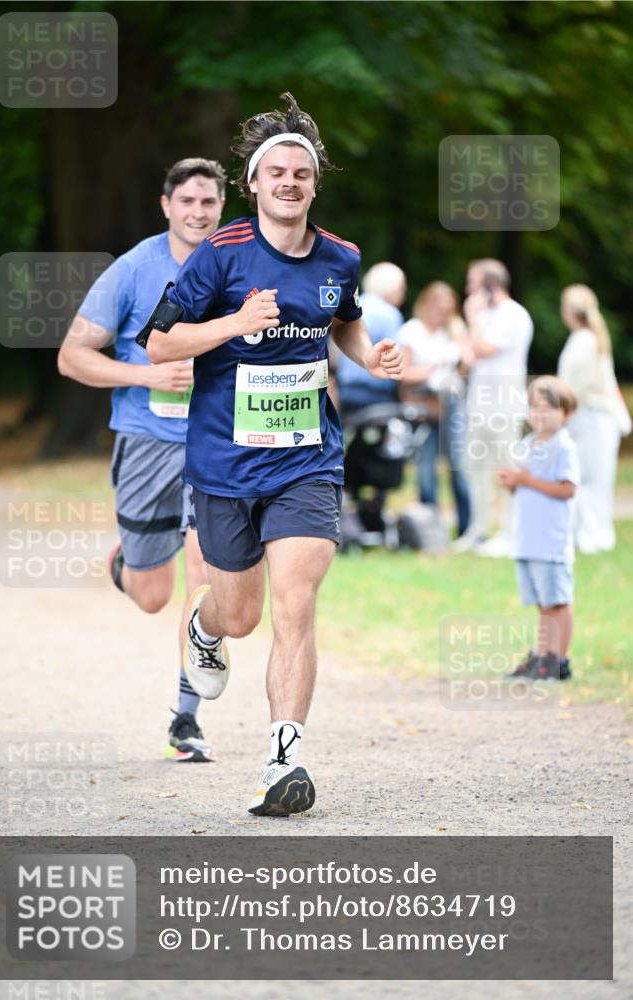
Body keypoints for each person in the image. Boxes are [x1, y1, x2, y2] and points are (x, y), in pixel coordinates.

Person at [142, 92, 403, 816]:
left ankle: (283, 761)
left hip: (306, 458)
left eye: (302, 174)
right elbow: (159, 343)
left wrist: (368, 356)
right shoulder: (219, 255)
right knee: (241, 616)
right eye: (276, 172)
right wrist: (232, 323)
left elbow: (342, 325)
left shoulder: (341, 258)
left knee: (296, 604)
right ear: (254, 183)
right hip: (224, 464)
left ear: (314, 185)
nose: (290, 183)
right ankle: (204, 626)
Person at [57, 158, 226, 763]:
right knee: (153, 594)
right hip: (146, 440)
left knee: (207, 579)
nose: (198, 213)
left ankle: (186, 717)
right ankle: (125, 563)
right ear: (166, 206)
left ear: (221, 206)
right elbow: (72, 357)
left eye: (209, 202)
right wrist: (144, 372)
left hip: (215, 443)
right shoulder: (133, 269)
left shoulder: (236, 261)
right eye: (187, 202)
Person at [498, 377, 579, 681]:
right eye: (535, 407)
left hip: (552, 540)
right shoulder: (526, 445)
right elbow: (521, 488)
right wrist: (510, 482)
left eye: (548, 408)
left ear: (566, 413)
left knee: (558, 601)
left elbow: (568, 489)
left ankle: (561, 659)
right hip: (527, 539)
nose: (539, 414)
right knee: (543, 604)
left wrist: (525, 480)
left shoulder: (564, 447)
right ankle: (541, 656)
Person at [457, 259, 533, 556]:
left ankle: (510, 532)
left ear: (489, 286)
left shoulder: (514, 315)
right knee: (475, 469)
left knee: (506, 469)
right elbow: (468, 357)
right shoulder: (485, 316)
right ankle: (478, 530)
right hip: (478, 403)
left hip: (505, 404)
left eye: (473, 283)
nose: (467, 290)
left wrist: (471, 320)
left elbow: (484, 348)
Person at [558, 284, 631, 553]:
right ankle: (590, 534)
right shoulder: (589, 338)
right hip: (593, 418)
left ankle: (592, 536)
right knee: (592, 478)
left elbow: (574, 387)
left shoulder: (584, 341)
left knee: (590, 478)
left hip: (592, 417)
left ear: (568, 310)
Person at [398, 281, 473, 538]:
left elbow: (466, 366)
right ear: (427, 305)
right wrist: (434, 365)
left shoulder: (452, 331)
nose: (444, 315)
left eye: (448, 310)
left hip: (452, 403)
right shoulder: (412, 331)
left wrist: (460, 337)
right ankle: (431, 531)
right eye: (440, 309)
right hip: (423, 404)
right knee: (426, 471)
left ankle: (466, 529)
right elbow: (404, 373)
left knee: (459, 468)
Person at [334, 262, 405, 415]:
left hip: (346, 391)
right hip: (377, 395)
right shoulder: (390, 314)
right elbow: (395, 357)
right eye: (401, 289)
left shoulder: (351, 306)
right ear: (392, 288)